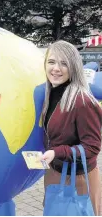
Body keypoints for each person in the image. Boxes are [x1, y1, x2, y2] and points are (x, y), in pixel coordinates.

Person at [40, 40, 102, 215]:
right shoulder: (50, 94)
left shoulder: (83, 101)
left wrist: (56, 152)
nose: (56, 68)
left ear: (73, 67)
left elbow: (92, 147)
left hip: (79, 178)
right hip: (55, 173)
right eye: (51, 62)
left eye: (63, 63)